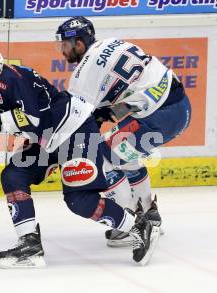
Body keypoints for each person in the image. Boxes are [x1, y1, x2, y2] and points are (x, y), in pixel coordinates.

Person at [0, 45, 160, 268]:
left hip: (74, 129)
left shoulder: (14, 79)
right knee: (13, 175)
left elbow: (38, 123)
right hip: (48, 140)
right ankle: (29, 244)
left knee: (79, 200)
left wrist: (1, 119)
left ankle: (139, 228)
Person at [55, 16, 191, 246]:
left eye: (65, 46)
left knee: (104, 156)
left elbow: (78, 120)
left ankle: (132, 221)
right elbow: (132, 91)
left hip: (157, 117)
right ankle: (150, 213)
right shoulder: (113, 43)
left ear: (78, 43)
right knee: (126, 155)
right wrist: (106, 112)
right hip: (180, 107)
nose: (62, 52)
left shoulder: (81, 76)